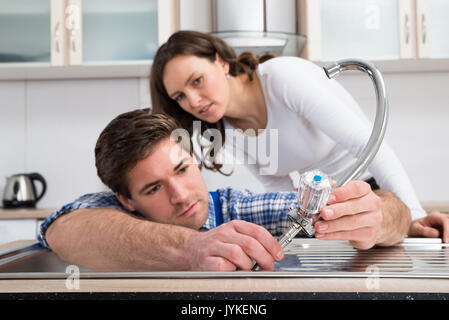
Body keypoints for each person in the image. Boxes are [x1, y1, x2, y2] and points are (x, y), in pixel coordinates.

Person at [149, 30, 448, 242]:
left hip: (380, 190)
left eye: (197, 81)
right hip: (332, 207)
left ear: (221, 61)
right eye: (180, 96)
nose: (194, 101)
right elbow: (278, 187)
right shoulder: (226, 130)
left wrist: (413, 216)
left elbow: (369, 145)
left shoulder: (282, 78)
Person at [40, 109, 413, 272]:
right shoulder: (109, 214)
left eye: (182, 170)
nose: (182, 195)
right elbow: (61, 228)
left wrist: (378, 217)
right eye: (154, 188)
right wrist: (192, 248)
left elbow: (393, 210)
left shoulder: (237, 209)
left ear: (195, 160)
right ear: (125, 199)